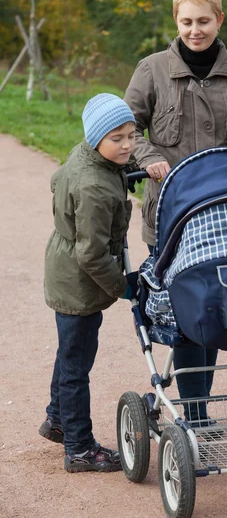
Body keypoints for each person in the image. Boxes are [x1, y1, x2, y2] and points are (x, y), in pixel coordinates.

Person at [124, 0, 227, 424]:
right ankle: (195, 414)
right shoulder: (151, 70)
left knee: (215, 308)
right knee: (186, 311)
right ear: (176, 20)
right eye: (187, 21)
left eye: (204, 21)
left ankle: (195, 409)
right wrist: (149, 157)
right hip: (169, 216)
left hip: (223, 216)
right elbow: (128, 126)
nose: (196, 30)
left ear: (219, 20)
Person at [39, 93, 137, 472]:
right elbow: (92, 254)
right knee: (77, 365)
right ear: (97, 138)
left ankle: (58, 420)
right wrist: (124, 286)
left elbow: (58, 179)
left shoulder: (85, 156)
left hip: (66, 270)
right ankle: (79, 448)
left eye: (131, 135)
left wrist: (130, 172)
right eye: (118, 138)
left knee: (70, 353)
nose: (127, 145)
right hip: (79, 281)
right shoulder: (94, 187)